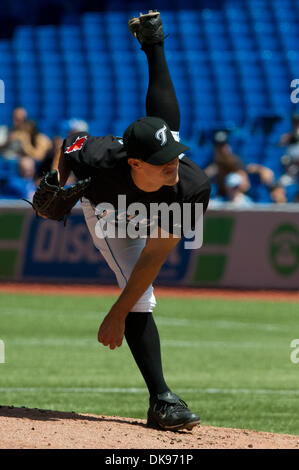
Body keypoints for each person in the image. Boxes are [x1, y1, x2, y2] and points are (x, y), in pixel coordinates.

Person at [51, 11, 211, 431]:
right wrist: (55, 183)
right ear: (135, 162)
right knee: (141, 295)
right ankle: (162, 400)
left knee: (166, 131)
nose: (172, 166)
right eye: (160, 163)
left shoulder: (188, 184)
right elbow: (69, 146)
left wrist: (115, 314)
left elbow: (154, 258)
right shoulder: (102, 157)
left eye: (174, 157)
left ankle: (153, 45)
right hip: (109, 211)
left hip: (153, 209)